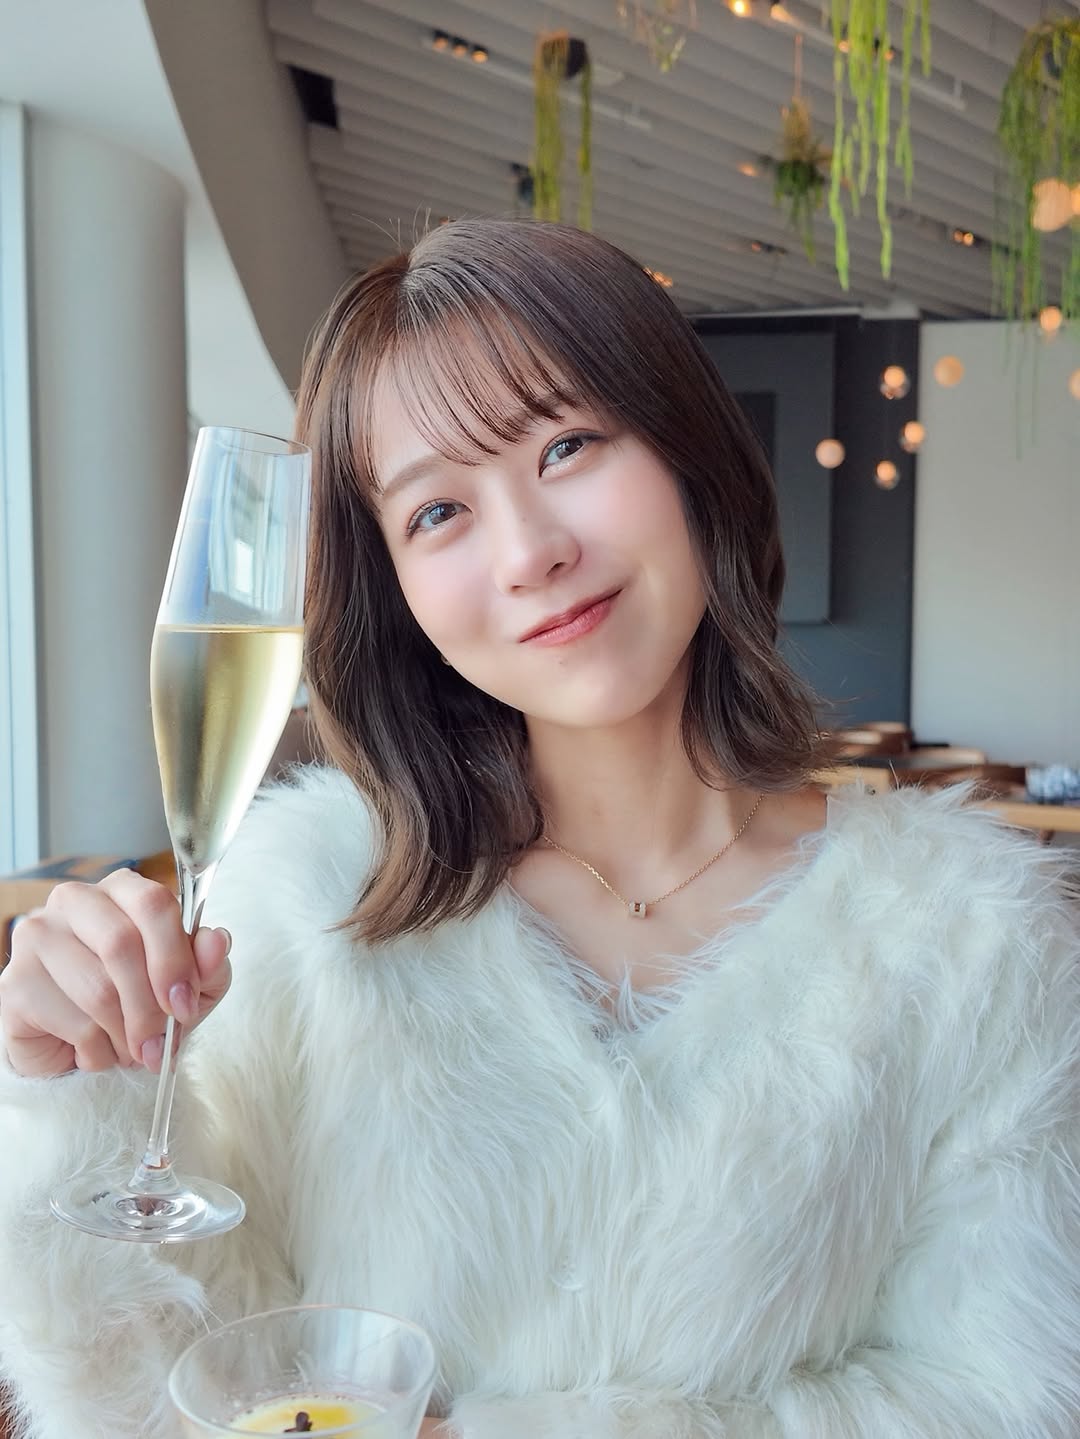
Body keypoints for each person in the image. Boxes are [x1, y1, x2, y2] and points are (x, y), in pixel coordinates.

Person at [1, 217, 1078, 1439]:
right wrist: (82, 1101)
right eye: (437, 512)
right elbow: (153, 1403)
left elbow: (1012, 1399)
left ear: (685, 449)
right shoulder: (303, 906)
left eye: (566, 444)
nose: (530, 552)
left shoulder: (977, 945)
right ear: (395, 590)